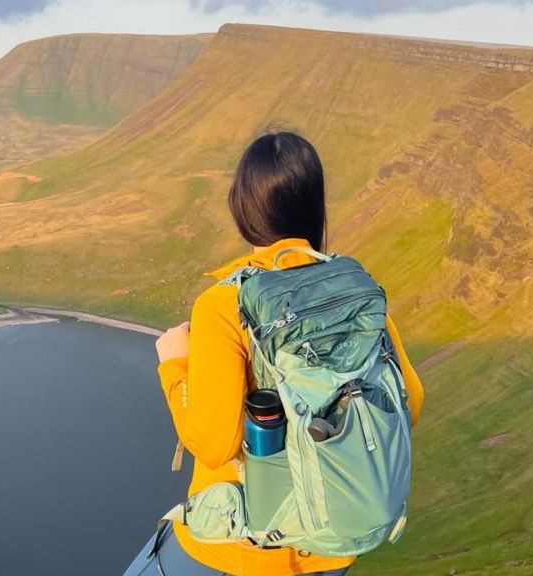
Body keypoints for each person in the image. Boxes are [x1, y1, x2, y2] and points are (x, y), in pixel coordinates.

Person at [124, 132, 425, 576]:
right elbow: (409, 403)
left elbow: (214, 444)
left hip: (235, 551)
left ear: (242, 209)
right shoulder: (356, 291)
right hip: (331, 547)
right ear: (314, 206)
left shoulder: (225, 304)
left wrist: (175, 364)